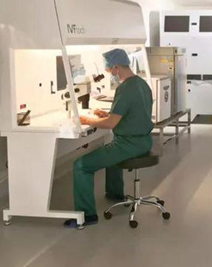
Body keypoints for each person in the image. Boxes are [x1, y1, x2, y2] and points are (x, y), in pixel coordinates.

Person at [64, 48, 154, 228]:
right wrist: (106, 114)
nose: (109, 73)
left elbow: (111, 124)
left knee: (81, 166)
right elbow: (132, 113)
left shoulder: (125, 88)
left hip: (129, 144)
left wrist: (86, 120)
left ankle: (87, 215)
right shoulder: (141, 84)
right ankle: (115, 194)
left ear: (116, 67)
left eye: (109, 69)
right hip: (144, 141)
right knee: (111, 154)